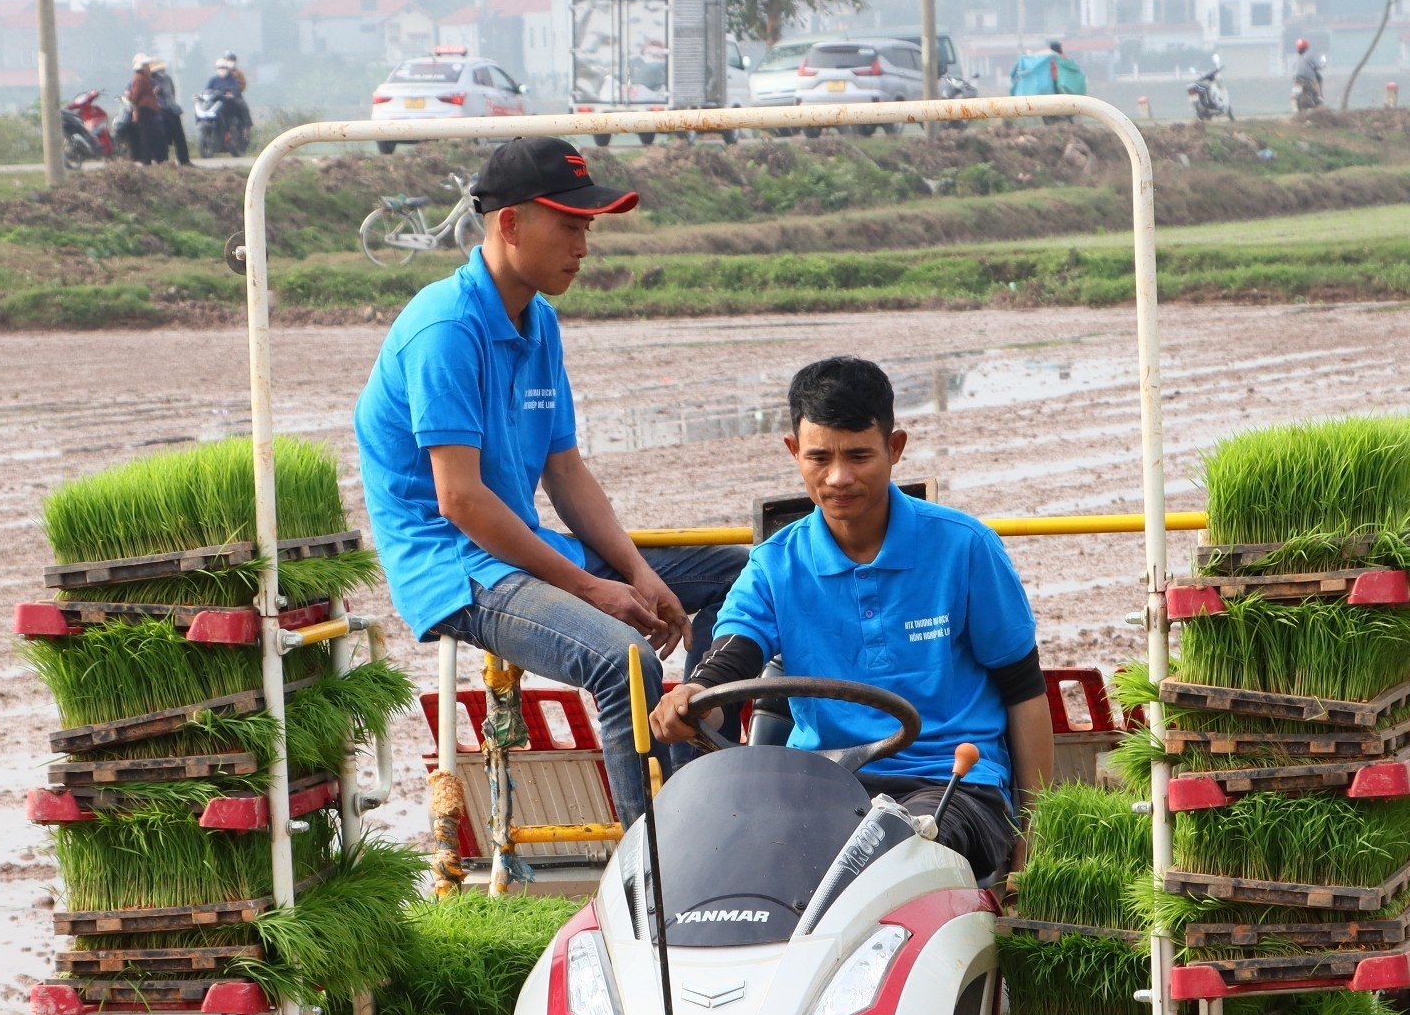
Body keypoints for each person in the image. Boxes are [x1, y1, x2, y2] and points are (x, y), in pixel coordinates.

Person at [355, 137, 746, 831]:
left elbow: (565, 471)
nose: (583, 246)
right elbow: (461, 501)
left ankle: (693, 783)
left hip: (523, 546)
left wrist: (633, 571)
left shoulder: (539, 323)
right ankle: (651, 860)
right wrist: (593, 588)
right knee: (622, 658)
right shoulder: (444, 327)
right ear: (510, 224)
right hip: (457, 568)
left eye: (586, 228)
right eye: (570, 225)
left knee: (740, 576)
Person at [649, 357, 1054, 883]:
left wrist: (1035, 832)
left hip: (954, 789)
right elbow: (734, 652)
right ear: (794, 452)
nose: (838, 478)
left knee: (892, 858)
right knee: (728, 868)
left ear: (895, 448)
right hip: (819, 791)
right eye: (819, 457)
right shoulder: (775, 565)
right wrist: (697, 690)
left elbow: (1024, 689)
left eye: (859, 456)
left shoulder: (965, 548)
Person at [151, 57, 191, 167]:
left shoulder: (168, 79)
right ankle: (162, 160)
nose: (162, 71)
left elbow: (172, 93)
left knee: (180, 136)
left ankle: (184, 160)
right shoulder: (151, 80)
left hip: (172, 109)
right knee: (163, 137)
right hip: (160, 111)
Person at [124, 55, 160, 163]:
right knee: (145, 134)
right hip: (145, 108)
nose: (149, 67)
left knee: (146, 134)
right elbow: (136, 95)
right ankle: (146, 160)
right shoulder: (139, 78)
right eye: (146, 65)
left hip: (146, 108)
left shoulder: (142, 78)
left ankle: (147, 159)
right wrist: (133, 104)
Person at [1291, 37, 1323, 112]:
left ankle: (1295, 107)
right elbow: (1317, 65)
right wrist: (1320, 66)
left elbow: (1293, 67)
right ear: (1306, 47)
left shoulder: (1295, 56)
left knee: (1294, 94)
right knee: (1316, 82)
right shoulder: (1309, 55)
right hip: (1307, 78)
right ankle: (1319, 97)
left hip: (1296, 78)